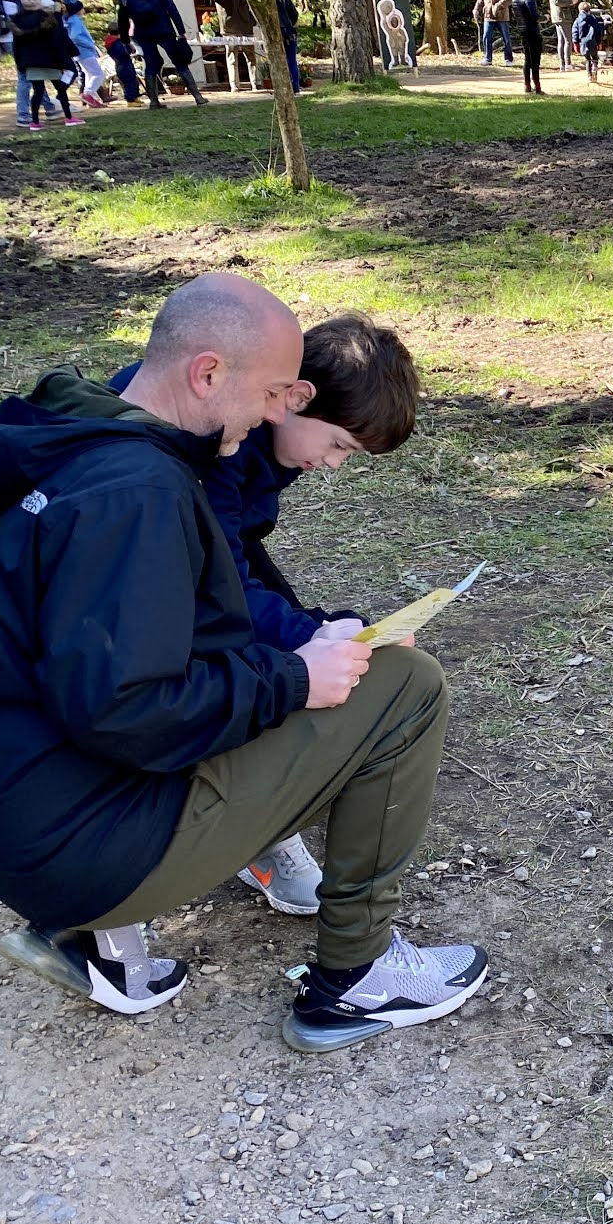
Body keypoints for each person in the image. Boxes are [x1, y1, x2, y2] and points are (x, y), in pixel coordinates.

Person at [0, 274, 487, 1050]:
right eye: (271, 395)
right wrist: (298, 675)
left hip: (26, 824)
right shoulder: (142, 494)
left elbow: (185, 627)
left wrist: (311, 639)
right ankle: (356, 978)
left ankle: (108, 939)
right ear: (207, 374)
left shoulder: (94, 445)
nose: (276, 412)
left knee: (298, 673)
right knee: (408, 689)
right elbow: (128, 710)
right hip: (69, 851)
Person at [106, 313, 421, 912]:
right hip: (140, 611)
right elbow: (218, 585)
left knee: (288, 644)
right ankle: (238, 829)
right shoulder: (222, 438)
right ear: (294, 399)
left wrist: (321, 626)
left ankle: (256, 829)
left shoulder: (266, 445)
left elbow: (238, 552)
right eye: (338, 445)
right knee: (237, 674)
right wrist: (308, 639)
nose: (334, 465)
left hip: (188, 575)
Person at [116, 0, 208, 109]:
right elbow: (171, 7)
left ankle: (153, 101)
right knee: (179, 62)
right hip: (164, 30)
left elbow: (122, 17)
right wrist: (181, 31)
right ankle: (198, 97)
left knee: (151, 65)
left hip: (143, 33)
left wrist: (125, 40)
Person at [10, 0, 81, 128]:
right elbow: (56, 43)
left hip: (29, 62)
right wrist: (63, 61)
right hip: (50, 61)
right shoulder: (48, 19)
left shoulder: (16, 22)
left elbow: (16, 47)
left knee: (37, 91)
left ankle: (35, 122)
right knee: (60, 88)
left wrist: (20, 64)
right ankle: (68, 117)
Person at [205, 0, 258, 88]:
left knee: (251, 58)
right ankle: (235, 86)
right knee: (232, 59)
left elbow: (248, 8)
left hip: (246, 30)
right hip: (230, 31)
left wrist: (252, 22)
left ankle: (254, 84)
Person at [61, 0, 108, 109]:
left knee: (89, 74)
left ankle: (93, 98)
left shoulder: (67, 20)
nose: (83, 10)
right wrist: (90, 44)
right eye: (81, 8)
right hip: (85, 51)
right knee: (99, 74)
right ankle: (88, 93)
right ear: (77, 10)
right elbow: (75, 36)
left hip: (79, 52)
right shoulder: (76, 20)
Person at [474, 0, 512, 66]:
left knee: (506, 38)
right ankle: (487, 58)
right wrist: (476, 8)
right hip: (488, 15)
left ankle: (508, 59)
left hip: (502, 16)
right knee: (486, 36)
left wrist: (498, 6)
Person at [512, 0, 544, 95]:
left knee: (527, 59)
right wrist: (545, 18)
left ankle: (527, 86)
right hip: (532, 31)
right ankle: (538, 87)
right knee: (535, 61)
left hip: (522, 30)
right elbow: (535, 16)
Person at [544, 0, 573, 72]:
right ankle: (567, 63)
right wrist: (571, 2)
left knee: (561, 41)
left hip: (558, 16)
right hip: (562, 16)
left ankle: (563, 64)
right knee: (568, 40)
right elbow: (557, 2)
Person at [104, 29, 142, 105]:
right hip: (124, 64)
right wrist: (129, 47)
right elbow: (123, 53)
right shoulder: (117, 42)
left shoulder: (111, 42)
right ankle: (130, 100)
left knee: (133, 80)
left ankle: (135, 97)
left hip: (121, 64)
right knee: (129, 82)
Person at [276, 0, 304, 92]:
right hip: (290, 32)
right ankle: (295, 87)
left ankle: (284, 87)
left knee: (283, 61)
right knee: (291, 60)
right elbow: (295, 15)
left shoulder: (271, 1)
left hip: (281, 34)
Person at [574, 0, 605, 84]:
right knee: (594, 57)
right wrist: (599, 42)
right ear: (589, 10)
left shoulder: (577, 20)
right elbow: (597, 31)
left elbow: (575, 32)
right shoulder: (593, 19)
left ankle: (589, 76)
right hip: (593, 41)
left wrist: (575, 43)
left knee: (587, 59)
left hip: (583, 42)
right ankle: (595, 70)